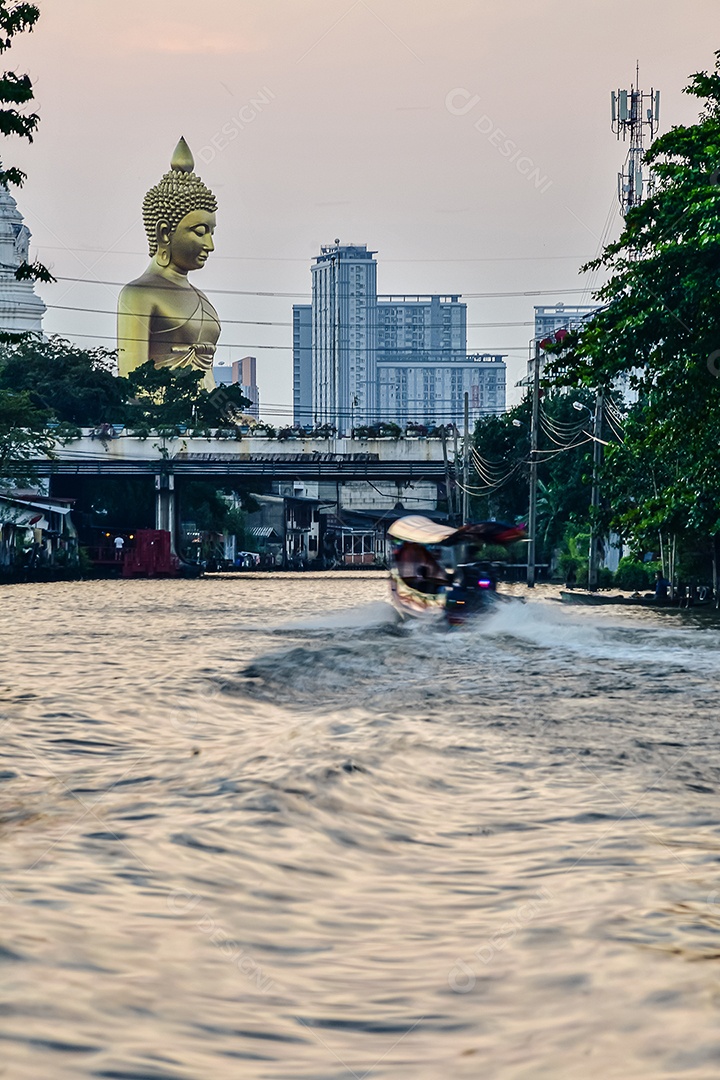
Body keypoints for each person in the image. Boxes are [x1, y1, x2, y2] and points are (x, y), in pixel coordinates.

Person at [117, 137, 221, 392]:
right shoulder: (138, 294)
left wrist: (224, 412)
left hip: (205, 417)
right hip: (164, 421)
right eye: (199, 232)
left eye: (212, 232)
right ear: (164, 233)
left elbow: (207, 378)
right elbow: (133, 384)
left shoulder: (201, 297)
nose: (209, 245)